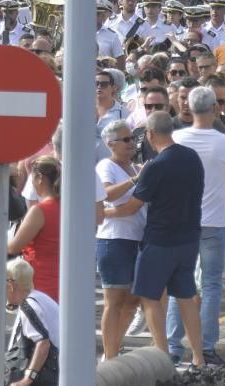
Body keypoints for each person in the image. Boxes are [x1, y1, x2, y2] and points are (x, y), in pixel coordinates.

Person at [105, 110, 206, 368]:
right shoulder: (192, 157)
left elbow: (131, 208)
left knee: (149, 296)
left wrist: (100, 212)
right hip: (190, 236)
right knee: (186, 296)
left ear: (149, 135)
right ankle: (198, 357)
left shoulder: (156, 166)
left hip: (160, 239)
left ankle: (162, 354)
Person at [164, 85, 225, 367]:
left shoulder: (176, 138)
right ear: (214, 109)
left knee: (179, 284)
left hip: (182, 221)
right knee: (210, 286)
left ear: (189, 108)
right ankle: (205, 347)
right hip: (214, 221)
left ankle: (173, 347)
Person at [96, 120, 145, 361]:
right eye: (126, 140)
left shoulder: (135, 168)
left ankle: (113, 348)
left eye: (132, 138)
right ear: (110, 144)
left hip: (137, 237)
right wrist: (135, 181)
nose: (132, 143)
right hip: (114, 238)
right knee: (114, 300)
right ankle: (109, 353)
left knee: (133, 300)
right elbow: (106, 193)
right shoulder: (106, 165)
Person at [7, 156, 60, 301]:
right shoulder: (69, 207)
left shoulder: (40, 211)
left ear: (40, 178)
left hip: (40, 281)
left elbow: (14, 247)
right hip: (65, 280)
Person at [4, 258, 60, 386]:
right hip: (56, 369)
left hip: (46, 375)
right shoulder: (40, 297)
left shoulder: (28, 306)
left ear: (11, 285)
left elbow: (43, 343)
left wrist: (27, 380)